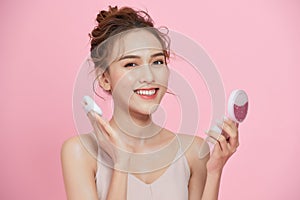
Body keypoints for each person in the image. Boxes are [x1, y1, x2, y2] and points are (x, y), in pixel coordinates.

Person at [61, 5, 239, 200]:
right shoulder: (80, 152)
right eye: (131, 64)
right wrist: (121, 164)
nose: (149, 75)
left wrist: (214, 171)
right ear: (105, 78)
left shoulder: (194, 152)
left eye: (157, 62)